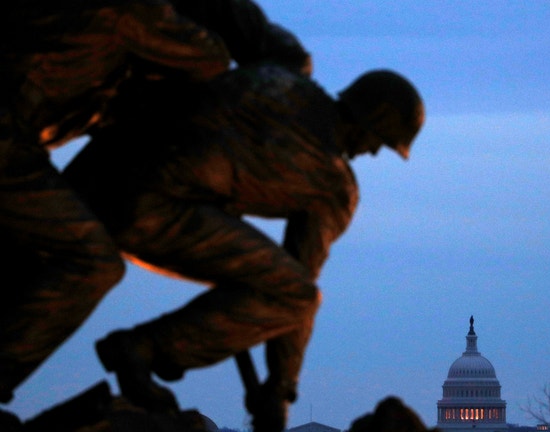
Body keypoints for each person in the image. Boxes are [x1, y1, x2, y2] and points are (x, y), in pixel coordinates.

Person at [62, 62, 425, 429]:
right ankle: (143, 349)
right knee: (295, 295)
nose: (376, 153)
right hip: (146, 207)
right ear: (371, 123)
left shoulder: (277, 78)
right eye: (382, 142)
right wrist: (280, 387)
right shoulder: (333, 185)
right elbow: (299, 284)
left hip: (91, 173)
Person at [0, 0, 310, 408]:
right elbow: (210, 62)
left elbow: (277, 55)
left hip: (24, 147)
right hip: (10, 144)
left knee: (34, 250)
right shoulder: (137, 11)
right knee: (91, 263)